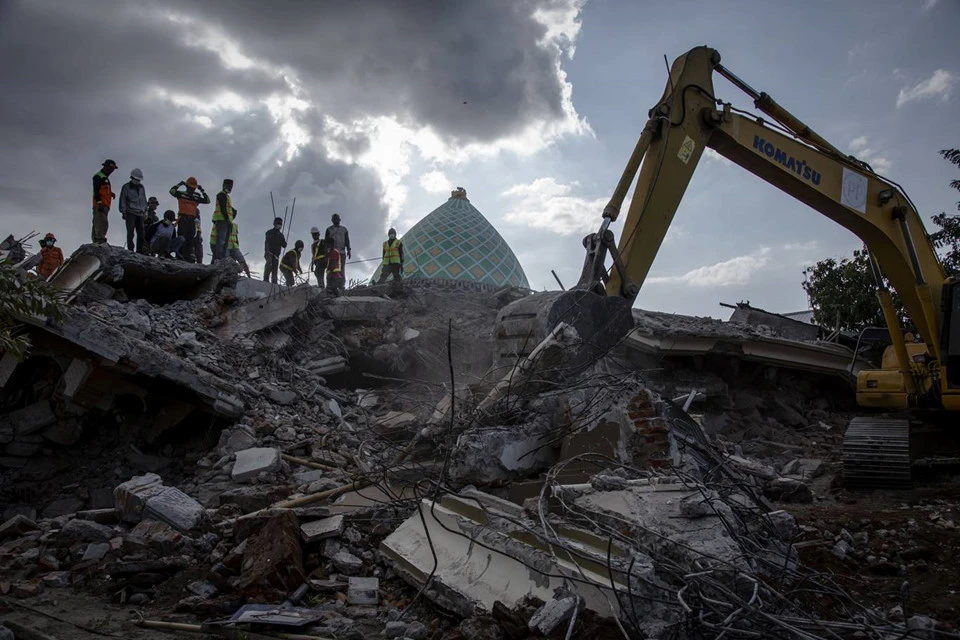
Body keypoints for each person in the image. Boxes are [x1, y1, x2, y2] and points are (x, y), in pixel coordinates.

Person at [168, 176, 210, 263]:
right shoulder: (181, 194)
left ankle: (187, 258)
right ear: (187, 186)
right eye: (191, 188)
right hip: (183, 218)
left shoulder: (196, 196)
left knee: (190, 239)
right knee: (182, 238)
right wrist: (179, 184)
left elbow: (207, 200)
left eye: (194, 188)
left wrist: (202, 190)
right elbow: (171, 191)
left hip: (192, 219)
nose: (192, 190)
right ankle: (179, 256)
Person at [119, 167, 148, 253]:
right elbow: (123, 199)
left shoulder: (141, 187)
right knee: (130, 232)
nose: (138, 182)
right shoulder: (126, 187)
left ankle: (140, 250)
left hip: (140, 213)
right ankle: (130, 249)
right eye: (136, 179)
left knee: (141, 233)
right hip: (130, 212)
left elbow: (143, 199)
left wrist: (145, 211)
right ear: (132, 178)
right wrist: (123, 211)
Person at [92, 159, 118, 244]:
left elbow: (104, 190)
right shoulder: (98, 176)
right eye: (110, 169)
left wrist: (111, 193)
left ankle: (96, 239)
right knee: (101, 222)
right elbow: (96, 190)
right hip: (100, 204)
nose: (111, 171)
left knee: (99, 221)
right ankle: (100, 239)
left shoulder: (105, 177)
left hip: (106, 204)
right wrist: (99, 202)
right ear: (105, 167)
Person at [212, 178, 236, 261]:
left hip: (227, 221)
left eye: (231, 187)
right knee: (221, 241)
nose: (229, 188)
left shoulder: (227, 197)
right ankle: (218, 258)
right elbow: (223, 208)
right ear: (223, 185)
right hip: (222, 221)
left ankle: (221, 258)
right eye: (228, 186)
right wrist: (227, 219)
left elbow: (228, 209)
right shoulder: (221, 195)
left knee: (224, 242)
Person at [324, 213, 350, 278]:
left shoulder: (344, 229)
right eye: (334, 219)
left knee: (342, 269)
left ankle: (341, 285)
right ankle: (330, 284)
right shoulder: (329, 229)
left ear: (339, 220)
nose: (336, 221)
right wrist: (326, 252)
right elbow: (326, 242)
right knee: (331, 268)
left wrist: (349, 250)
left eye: (337, 219)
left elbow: (347, 240)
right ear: (332, 220)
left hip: (342, 252)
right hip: (332, 253)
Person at [263, 217, 286, 283]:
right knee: (269, 265)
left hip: (276, 255)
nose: (279, 225)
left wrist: (284, 242)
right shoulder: (269, 232)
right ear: (274, 224)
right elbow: (267, 242)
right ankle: (265, 280)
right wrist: (267, 252)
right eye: (278, 223)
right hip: (269, 253)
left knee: (275, 270)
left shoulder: (281, 235)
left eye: (280, 224)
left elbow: (284, 245)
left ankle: (274, 283)